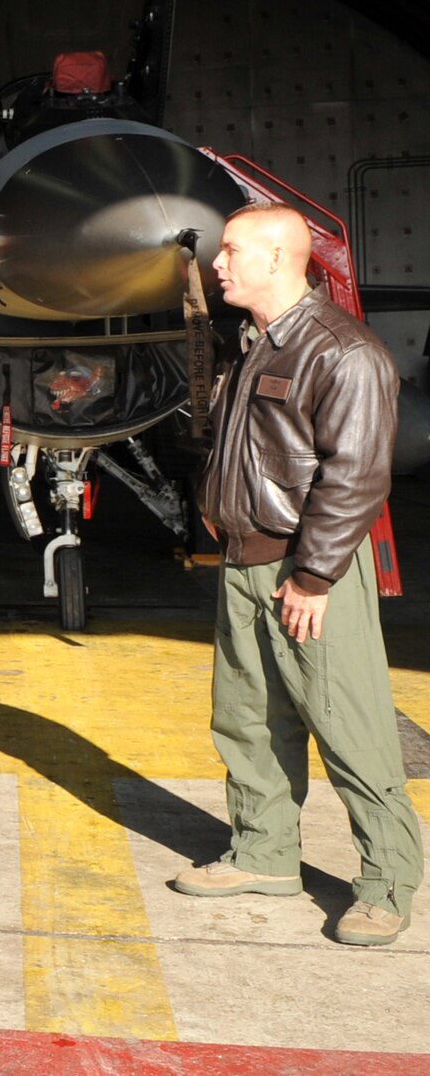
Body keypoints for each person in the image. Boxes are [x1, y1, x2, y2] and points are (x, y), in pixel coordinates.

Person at [174, 201, 424, 947]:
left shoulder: (343, 352)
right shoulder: (257, 343)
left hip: (307, 569)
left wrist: (314, 578)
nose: (219, 263)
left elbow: (356, 478)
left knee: (350, 727)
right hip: (246, 561)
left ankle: (386, 882)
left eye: (233, 251)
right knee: (248, 721)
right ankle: (264, 853)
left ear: (280, 258)